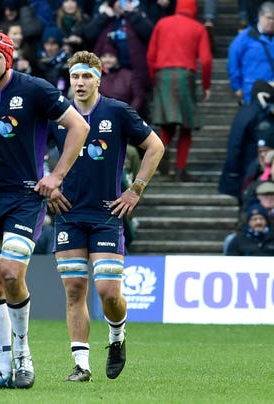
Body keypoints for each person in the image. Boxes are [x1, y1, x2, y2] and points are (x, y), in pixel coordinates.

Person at [0, 32, 90, 389]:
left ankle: (23, 357)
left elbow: (79, 126)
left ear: (8, 60)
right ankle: (2, 371)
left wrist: (56, 176)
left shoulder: (35, 89)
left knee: (11, 272)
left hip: (25, 196)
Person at [51, 51, 164, 382]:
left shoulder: (116, 111)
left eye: (87, 76)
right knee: (74, 289)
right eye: (75, 77)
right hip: (68, 214)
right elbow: (31, 151)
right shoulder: (57, 115)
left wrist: (135, 190)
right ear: (69, 80)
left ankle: (117, 337)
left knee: (108, 293)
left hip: (106, 215)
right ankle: (81, 364)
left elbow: (156, 147)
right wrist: (48, 186)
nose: (81, 82)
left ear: (99, 79)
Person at [146, 0, 212, 182]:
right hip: (185, 76)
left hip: (162, 76)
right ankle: (180, 170)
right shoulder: (198, 28)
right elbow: (206, 60)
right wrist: (206, 86)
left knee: (167, 123)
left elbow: (151, 56)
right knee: (186, 126)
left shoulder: (162, 23)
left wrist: (154, 79)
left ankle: (162, 153)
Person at [228, 1, 274, 105]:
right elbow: (233, 62)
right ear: (260, 16)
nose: (271, 22)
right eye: (268, 18)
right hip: (251, 92)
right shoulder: (244, 38)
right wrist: (236, 86)